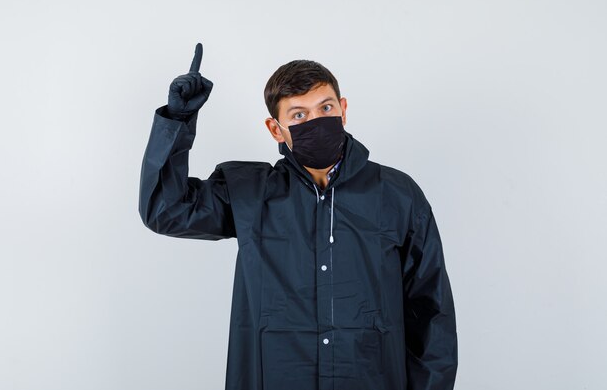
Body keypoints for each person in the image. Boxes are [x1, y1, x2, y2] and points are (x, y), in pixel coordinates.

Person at [139, 42, 458, 390]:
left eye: (325, 108)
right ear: (276, 129)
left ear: (344, 109)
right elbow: (165, 210)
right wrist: (178, 121)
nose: (316, 121)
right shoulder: (249, 192)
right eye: (299, 115)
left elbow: (431, 312)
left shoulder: (397, 194)